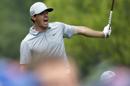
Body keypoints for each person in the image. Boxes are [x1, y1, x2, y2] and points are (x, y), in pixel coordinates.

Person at [20, 2, 111, 70]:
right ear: (34, 17)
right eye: (42, 13)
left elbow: (81, 30)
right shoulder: (27, 43)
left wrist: (103, 34)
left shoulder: (58, 27)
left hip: (66, 77)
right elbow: (24, 70)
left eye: (47, 12)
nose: (46, 16)